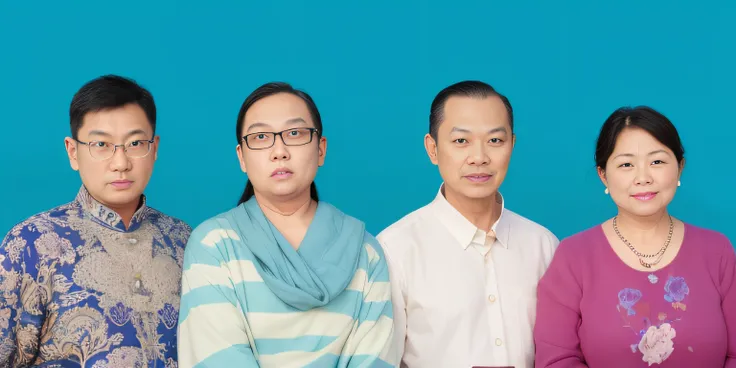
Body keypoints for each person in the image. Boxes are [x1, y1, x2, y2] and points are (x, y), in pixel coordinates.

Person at [177, 82, 397, 367]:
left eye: (295, 133)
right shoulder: (214, 244)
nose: (279, 151)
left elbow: (375, 359)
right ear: (241, 157)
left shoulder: (365, 251)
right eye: (260, 137)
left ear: (321, 149)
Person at [0, 75, 192, 367]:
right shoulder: (32, 243)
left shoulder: (185, 241)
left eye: (135, 143)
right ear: (73, 151)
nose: (120, 162)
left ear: (154, 149)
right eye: (101, 144)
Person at [534, 106, 736, 367]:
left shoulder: (716, 251)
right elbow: (557, 359)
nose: (643, 178)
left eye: (657, 162)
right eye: (626, 164)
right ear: (603, 175)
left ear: (680, 168)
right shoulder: (574, 256)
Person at [376, 80, 559, 368]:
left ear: (512, 144)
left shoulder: (543, 245)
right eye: (461, 141)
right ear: (432, 148)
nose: (479, 158)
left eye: (495, 141)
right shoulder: (395, 249)